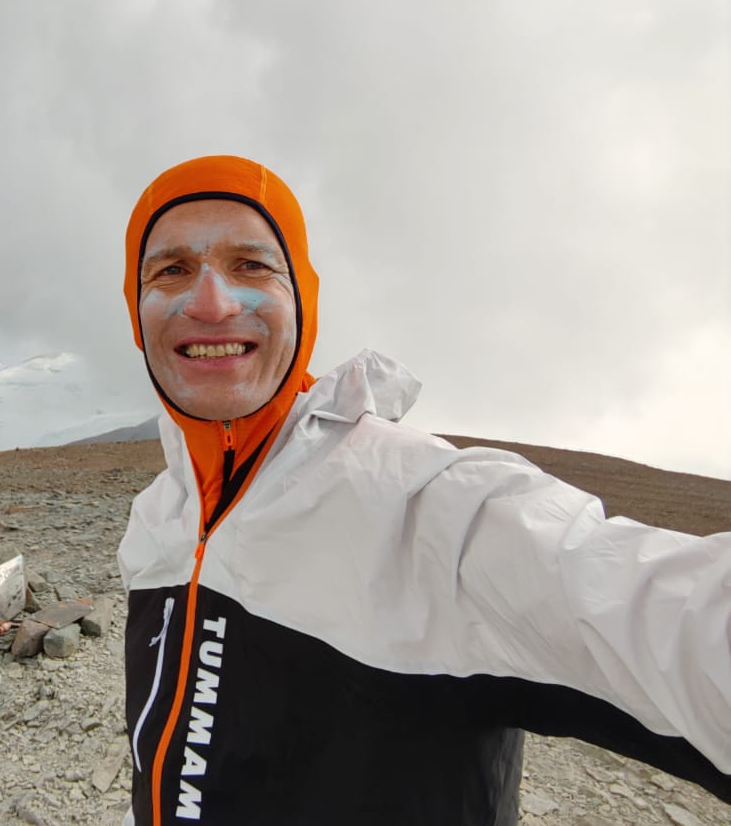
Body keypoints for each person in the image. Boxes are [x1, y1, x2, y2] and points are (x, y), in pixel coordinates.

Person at [117, 155, 730, 825]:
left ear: (304, 299)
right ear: (134, 305)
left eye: (252, 266)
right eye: (171, 270)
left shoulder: (428, 510)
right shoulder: (158, 517)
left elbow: (667, 617)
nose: (211, 302)